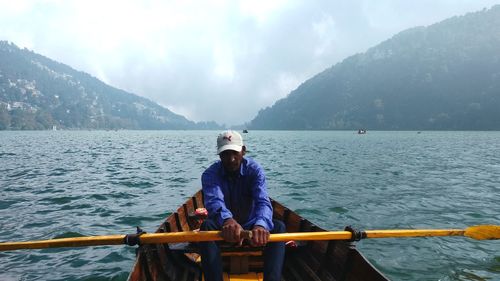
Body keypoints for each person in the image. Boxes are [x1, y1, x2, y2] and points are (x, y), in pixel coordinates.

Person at [199, 130, 285, 281]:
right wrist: (227, 220)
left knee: (279, 228)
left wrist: (261, 225)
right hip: (223, 227)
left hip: (252, 225)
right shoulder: (210, 174)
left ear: (243, 151)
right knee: (206, 227)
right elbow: (214, 202)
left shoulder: (255, 170)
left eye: (234, 153)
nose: (231, 159)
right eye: (225, 154)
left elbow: (263, 201)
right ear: (219, 155)